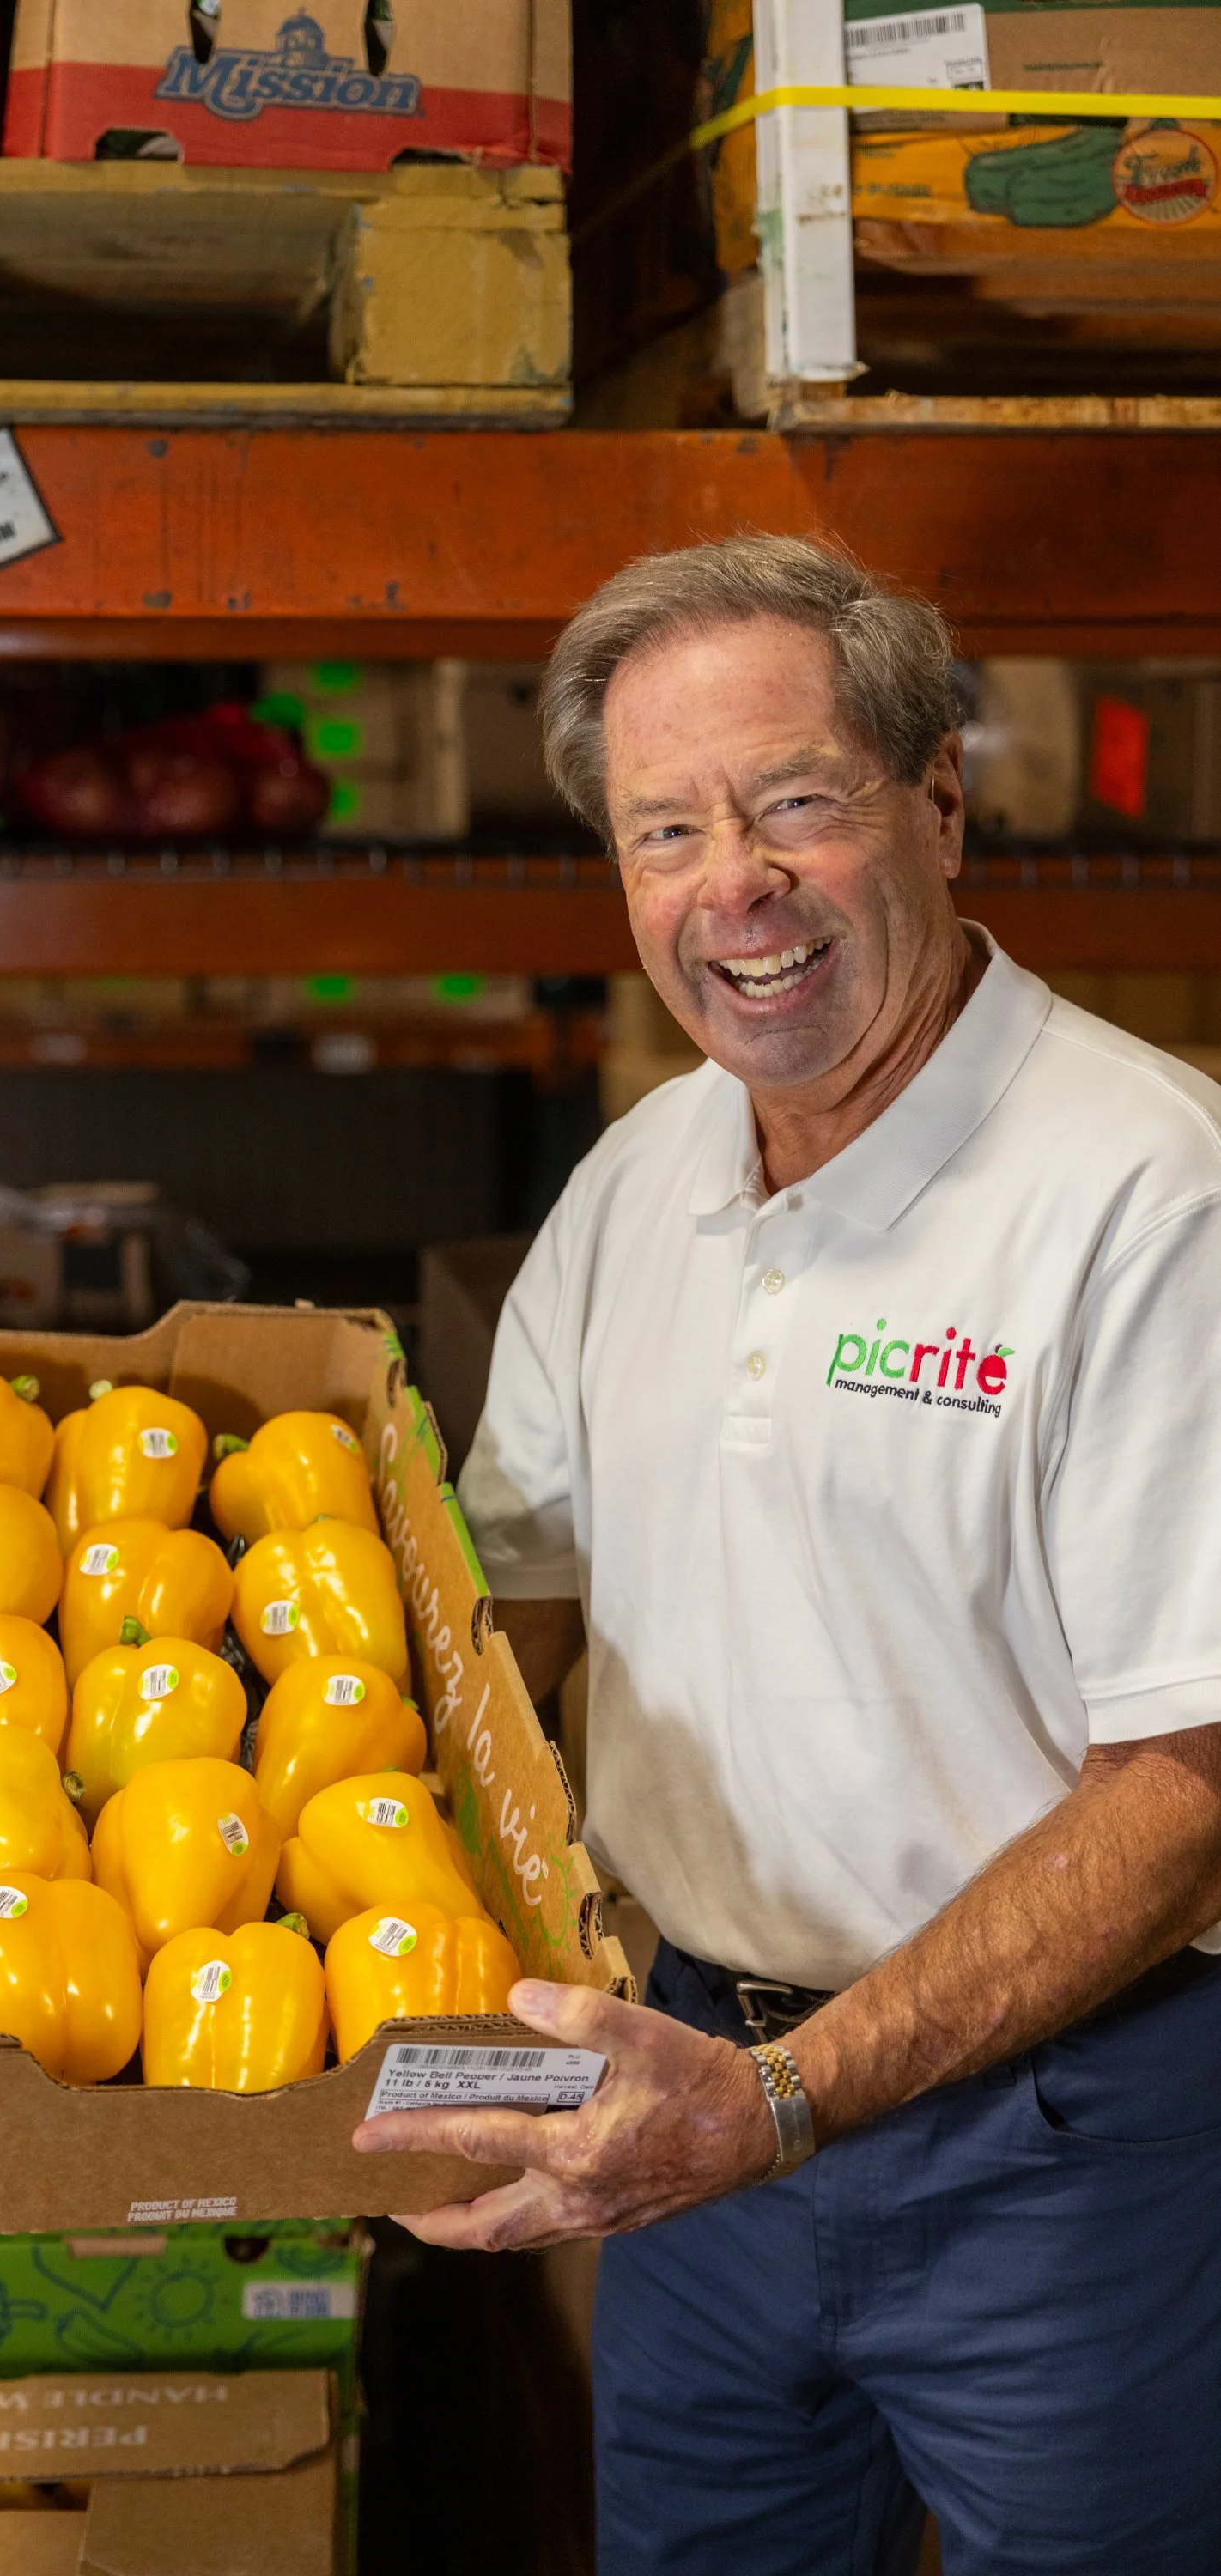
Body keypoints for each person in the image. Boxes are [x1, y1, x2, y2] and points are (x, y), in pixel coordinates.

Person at [352, 538, 1221, 2575]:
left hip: (1060, 2143)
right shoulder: (644, 1173)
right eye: (664, 830)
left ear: (938, 798)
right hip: (688, 2098)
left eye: (793, 803)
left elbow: (1186, 1789)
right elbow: (511, 1627)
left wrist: (782, 2104)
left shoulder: (1145, 1199)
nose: (728, 884)